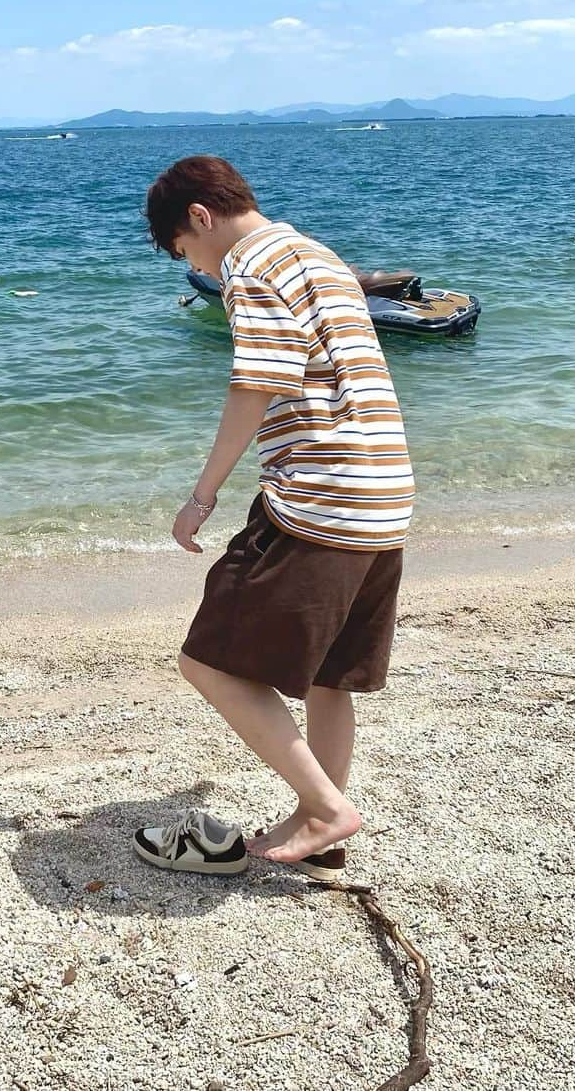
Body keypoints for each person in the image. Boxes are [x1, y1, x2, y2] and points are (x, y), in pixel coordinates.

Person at [132, 155, 414, 881]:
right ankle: (323, 829)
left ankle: (324, 808)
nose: (192, 263)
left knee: (207, 661)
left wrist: (202, 496)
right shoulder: (316, 253)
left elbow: (257, 382)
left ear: (199, 217)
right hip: (384, 489)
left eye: (184, 252)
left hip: (318, 498)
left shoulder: (251, 265)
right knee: (329, 676)